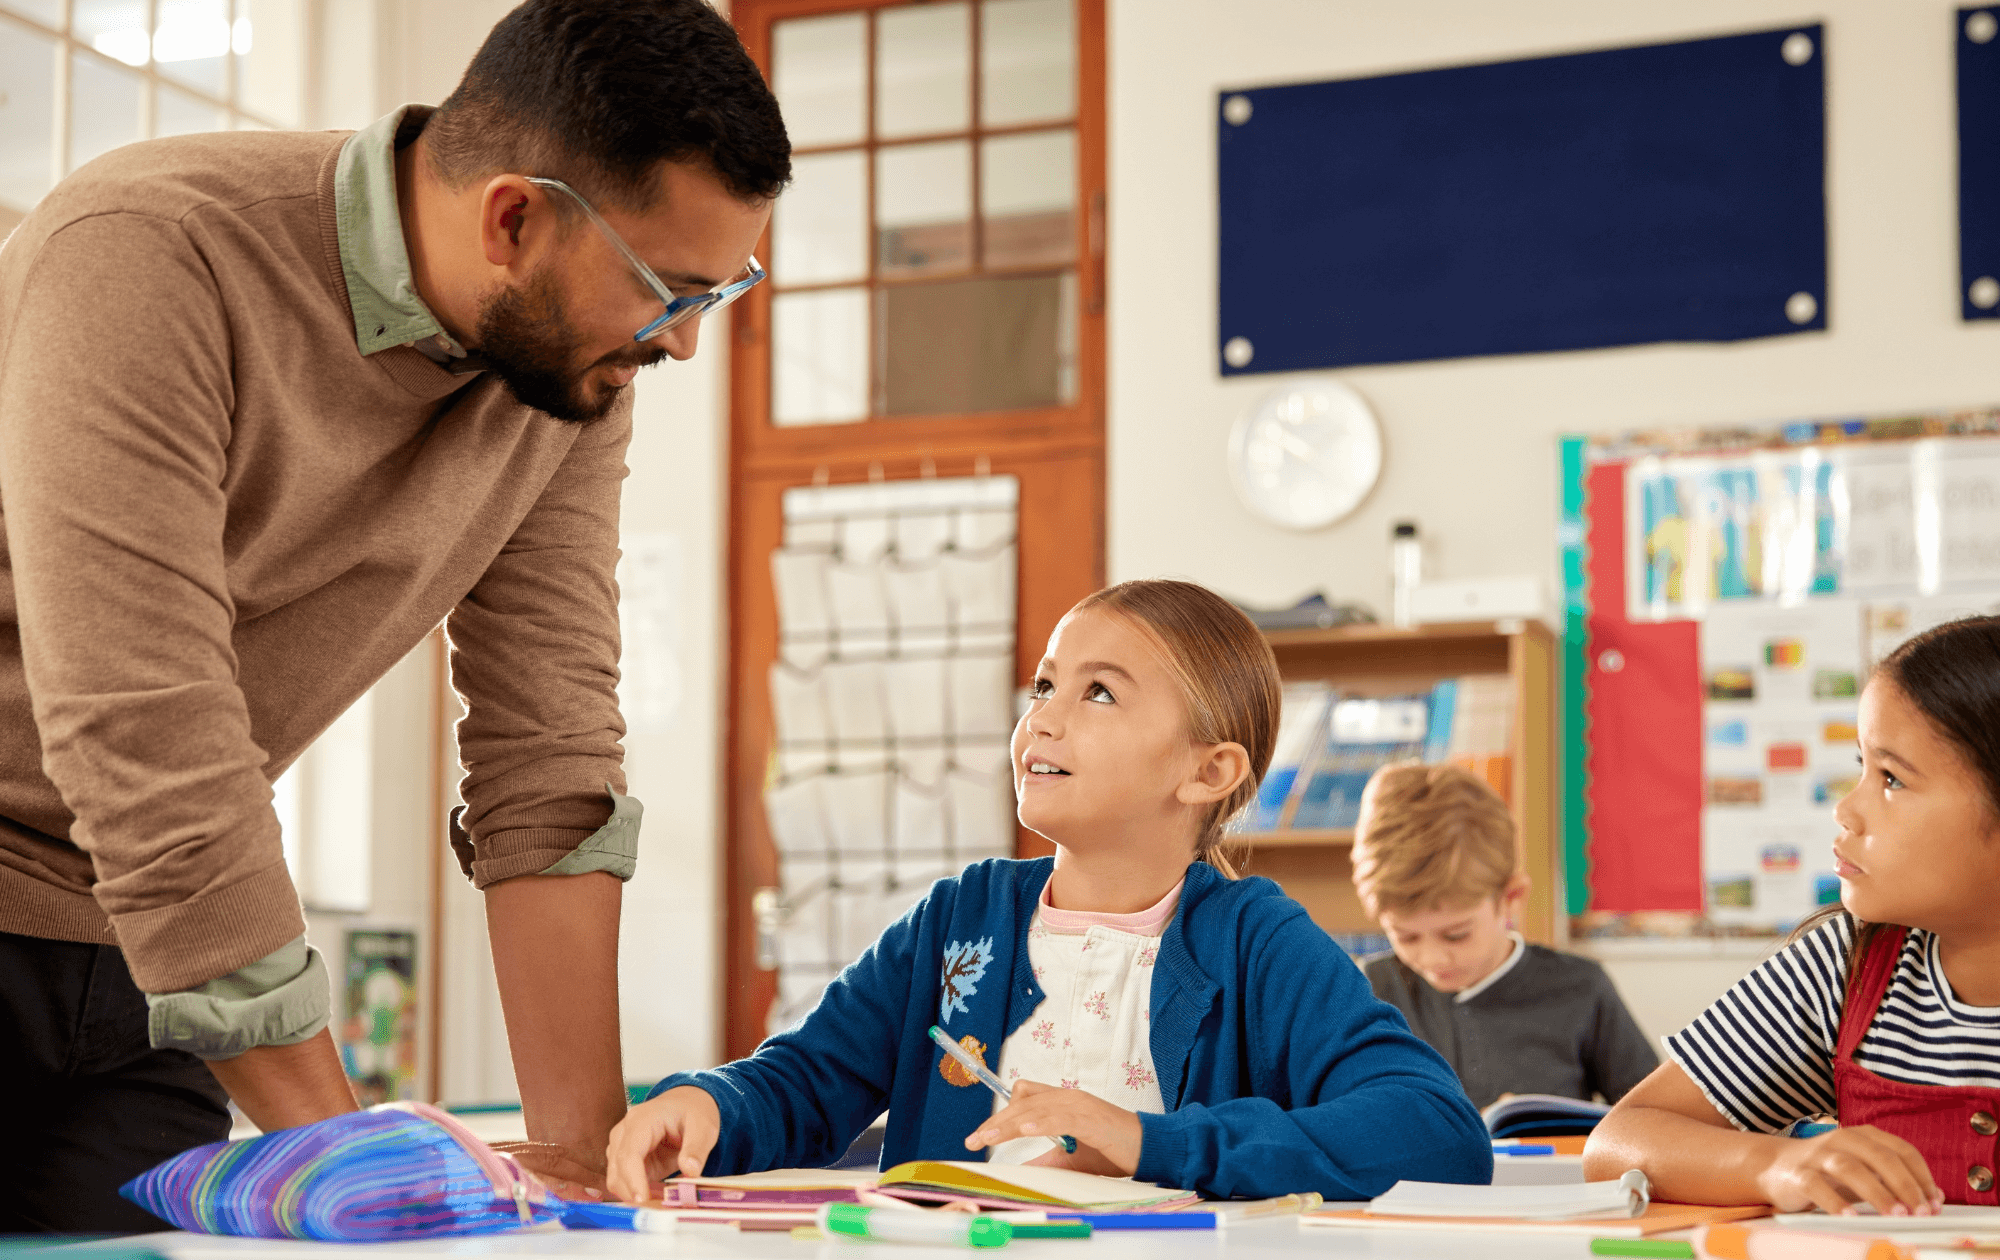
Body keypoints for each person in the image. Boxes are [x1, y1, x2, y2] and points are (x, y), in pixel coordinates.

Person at [0, 0, 787, 1231]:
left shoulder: (568, 373)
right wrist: (355, 1165)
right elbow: (146, 733)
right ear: (515, 218)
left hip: (141, 959)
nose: (678, 346)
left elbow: (548, 754)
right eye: (666, 293)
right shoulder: (148, 250)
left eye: (713, 297)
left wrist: (583, 1178)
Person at [604, 580, 1491, 1202]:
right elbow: (806, 1080)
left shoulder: (1253, 940)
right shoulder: (959, 920)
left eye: (1099, 693)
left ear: (1208, 771)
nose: (1044, 717)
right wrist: (709, 1104)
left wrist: (1150, 1145)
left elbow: (1432, 1128)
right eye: (1044, 685)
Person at [1585, 616, 2000, 1239]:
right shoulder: (1838, 974)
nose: (1846, 810)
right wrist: (1774, 1165)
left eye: (1892, 778)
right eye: (1862, 768)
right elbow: (1622, 1139)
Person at [1352, 763, 1656, 1110]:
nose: (1433, 959)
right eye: (1405, 937)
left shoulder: (1582, 989)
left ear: (1510, 899)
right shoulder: (1367, 992)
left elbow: (1655, 1120)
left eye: (1456, 935)